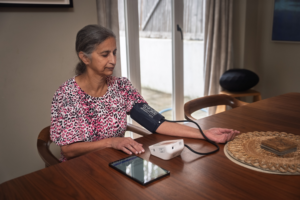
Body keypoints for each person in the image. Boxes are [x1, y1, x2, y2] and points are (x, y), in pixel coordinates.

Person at [50, 24, 240, 162]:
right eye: (105, 54)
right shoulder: (67, 95)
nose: (113, 60)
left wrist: (205, 134)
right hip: (79, 171)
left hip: (116, 163)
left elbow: (157, 123)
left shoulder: (121, 87)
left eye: (114, 52)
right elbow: (68, 150)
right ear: (84, 57)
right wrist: (111, 142)